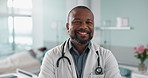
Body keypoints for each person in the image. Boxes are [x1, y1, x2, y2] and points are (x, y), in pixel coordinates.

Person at [38, 6, 122, 78]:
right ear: (68, 27)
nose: (83, 26)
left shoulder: (106, 56)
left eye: (89, 22)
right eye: (77, 22)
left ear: (93, 26)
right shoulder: (51, 56)